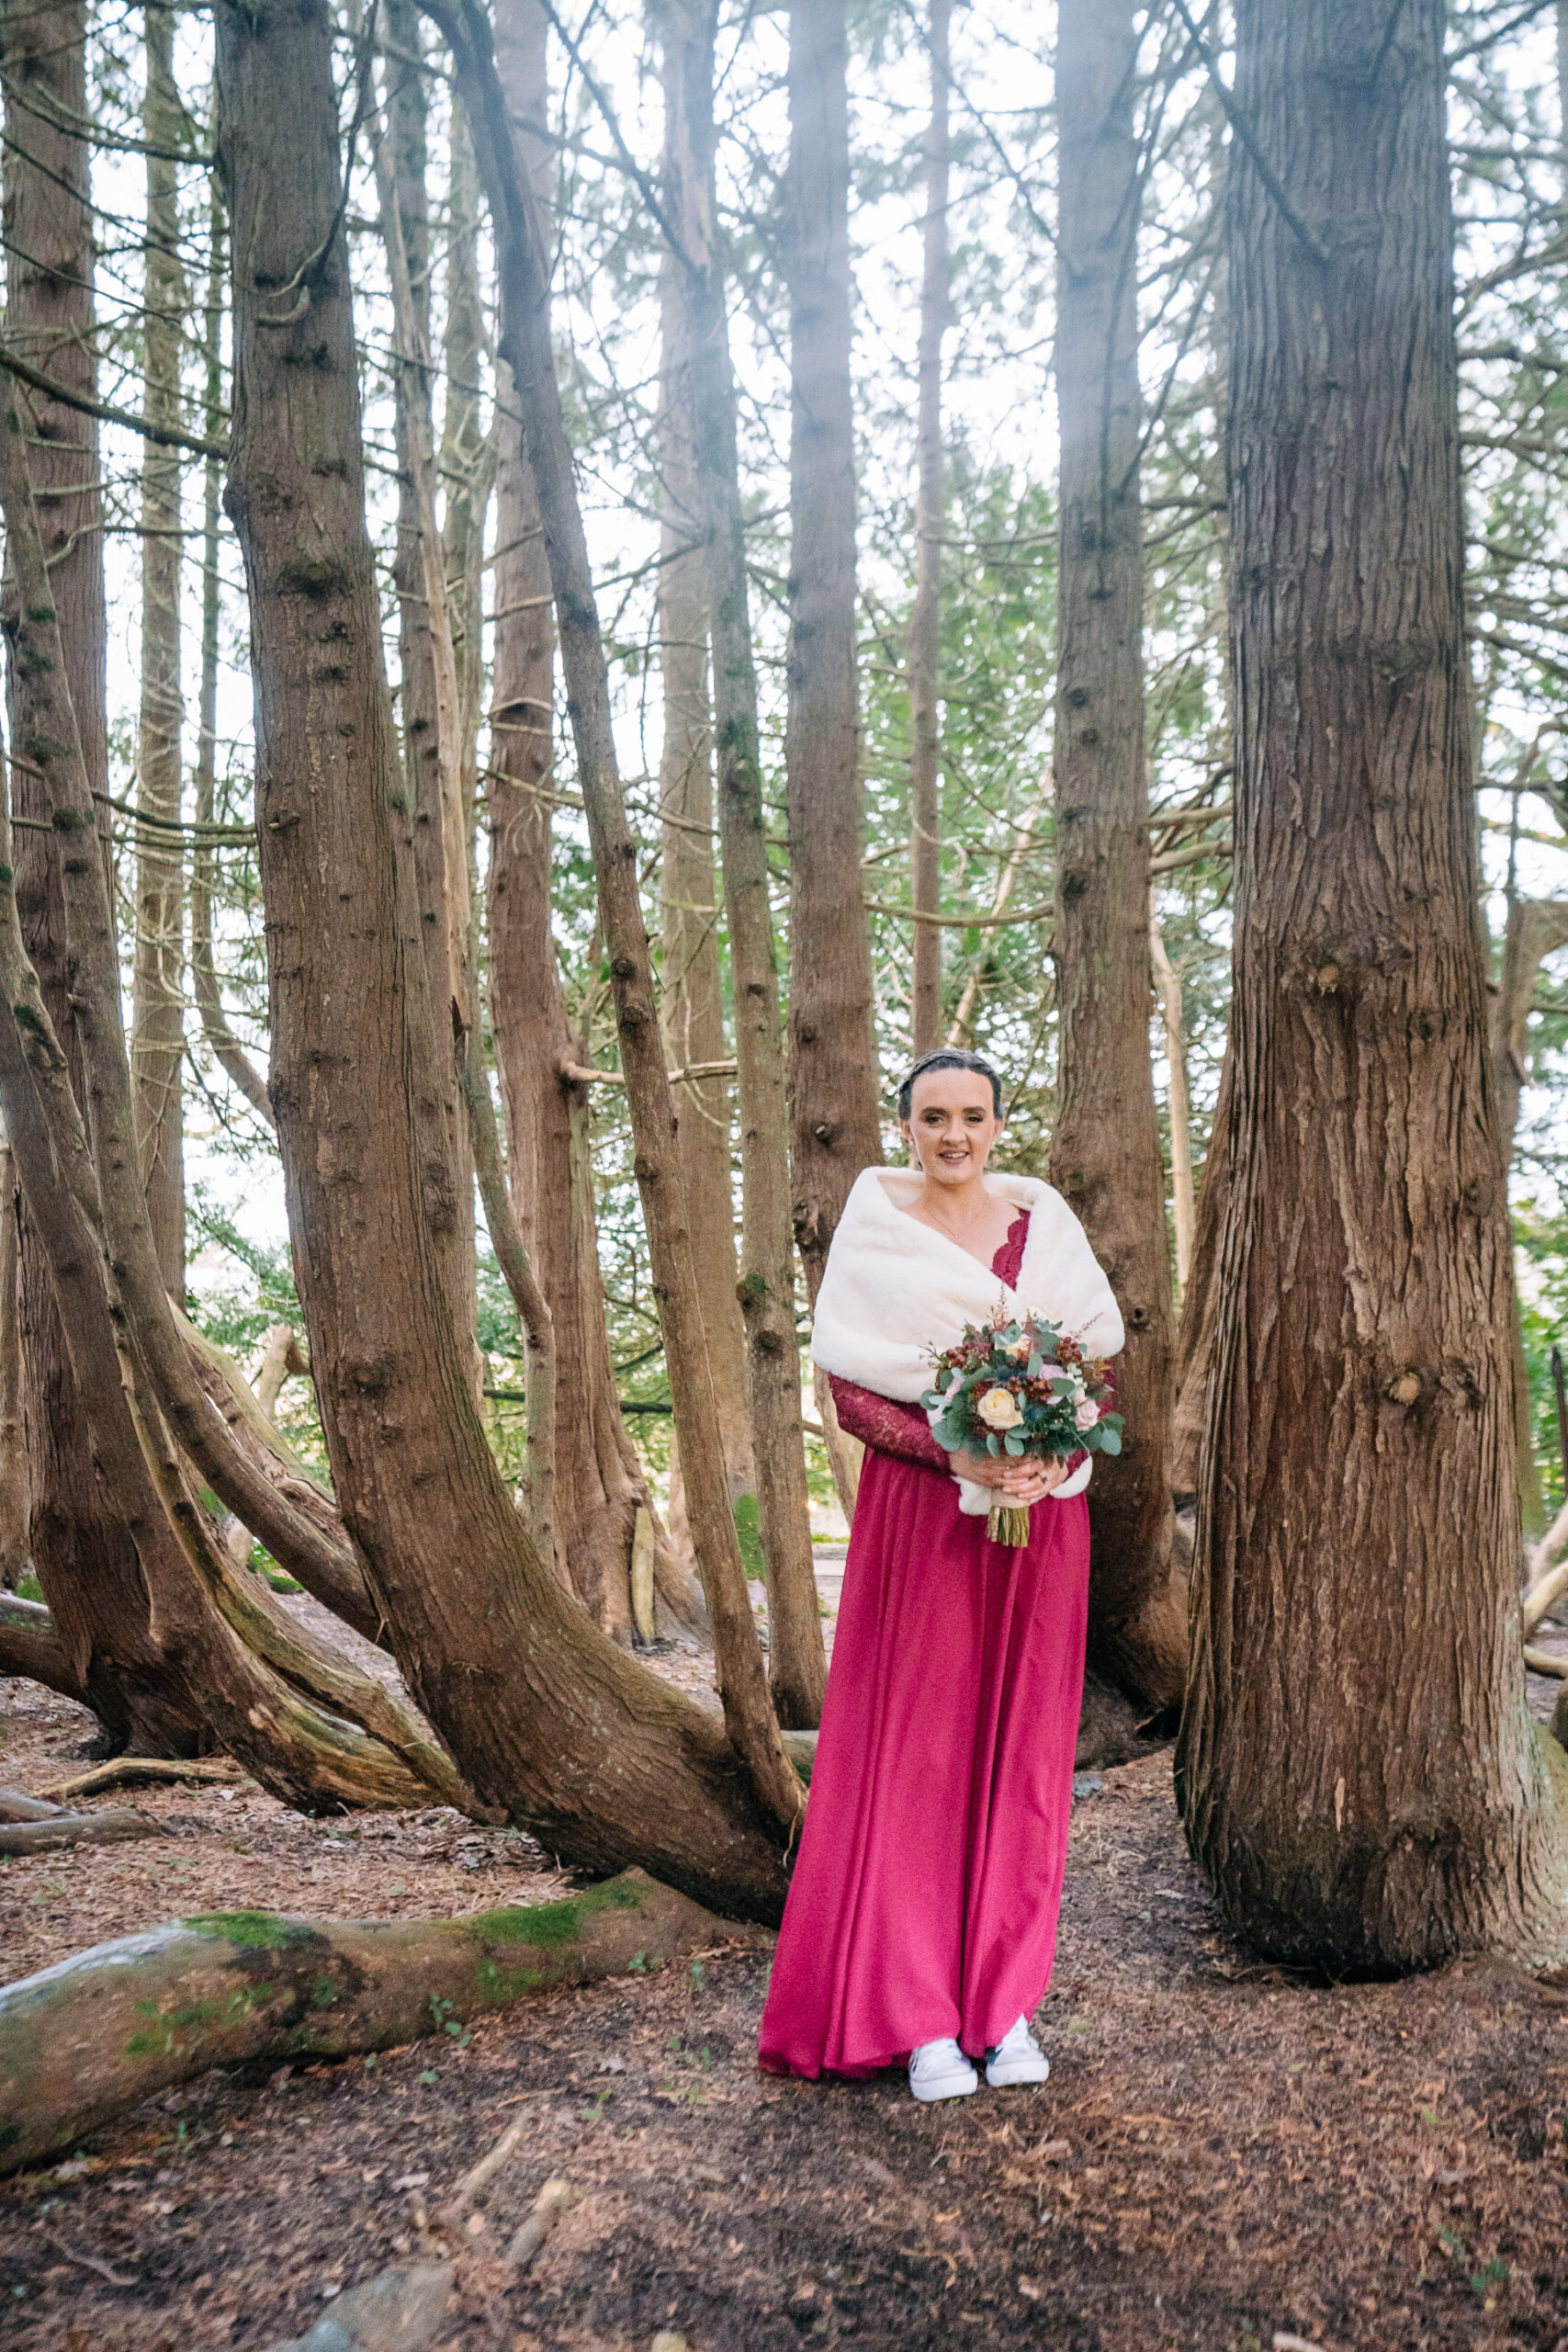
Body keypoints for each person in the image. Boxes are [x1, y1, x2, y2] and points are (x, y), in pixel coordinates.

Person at [757, 1047, 1123, 2103]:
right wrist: (959, 1453)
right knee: (919, 1754)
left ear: (999, 1124)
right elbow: (851, 1391)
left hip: (1042, 1521)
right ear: (906, 1126)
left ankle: (1001, 2004)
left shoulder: (1042, 1227)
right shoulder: (876, 1231)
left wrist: (1053, 1447)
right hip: (925, 1521)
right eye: (933, 1117)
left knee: (1022, 1752)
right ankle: (915, 2013)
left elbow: (1091, 1365)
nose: (954, 1134)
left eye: (972, 1115)